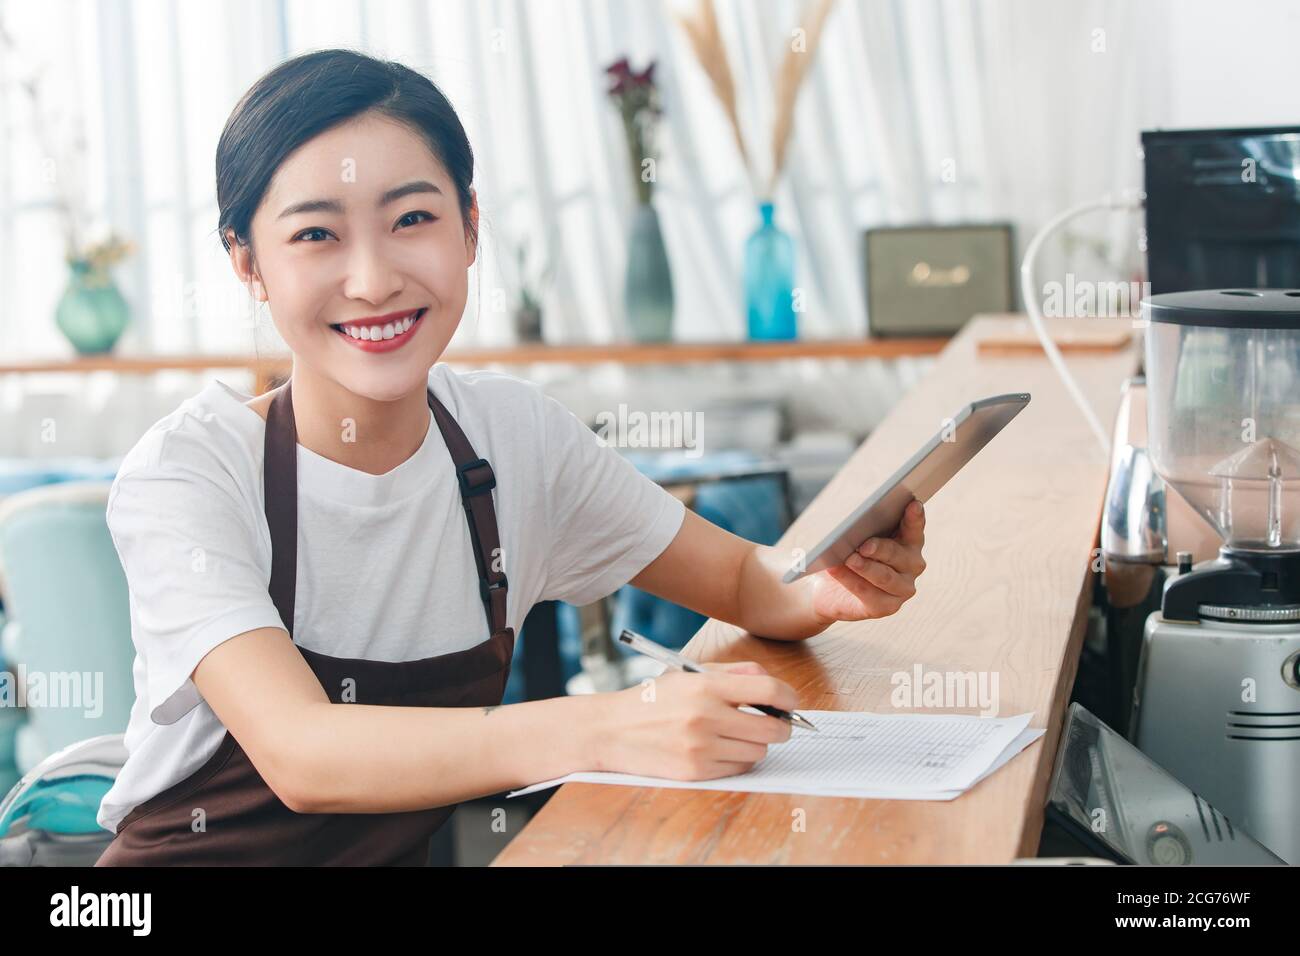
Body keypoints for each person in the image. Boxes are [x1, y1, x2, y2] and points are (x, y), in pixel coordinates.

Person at [94, 49, 926, 865]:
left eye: (412, 218)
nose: (373, 279)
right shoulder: (189, 474)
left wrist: (824, 586)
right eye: (316, 234)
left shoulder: (511, 437)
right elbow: (305, 756)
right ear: (249, 265)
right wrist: (608, 724)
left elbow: (744, 581)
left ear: (470, 228)